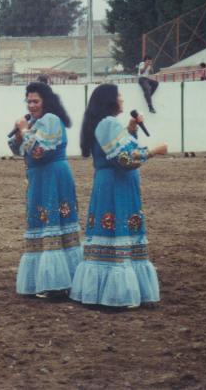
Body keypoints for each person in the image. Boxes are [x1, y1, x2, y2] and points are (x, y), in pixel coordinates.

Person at [70, 84, 167, 308]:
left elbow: (117, 148)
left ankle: (110, 289)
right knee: (117, 229)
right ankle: (117, 293)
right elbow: (124, 159)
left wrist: (131, 129)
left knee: (113, 231)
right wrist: (153, 151)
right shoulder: (108, 124)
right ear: (110, 101)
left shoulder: (106, 124)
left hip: (112, 182)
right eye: (120, 96)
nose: (123, 100)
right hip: (116, 184)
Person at [8, 82, 81, 298]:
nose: (31, 105)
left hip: (53, 177)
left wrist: (24, 130)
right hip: (38, 178)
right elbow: (16, 148)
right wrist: (21, 133)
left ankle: (57, 284)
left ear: (45, 102)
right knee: (40, 222)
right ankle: (47, 280)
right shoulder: (35, 123)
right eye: (28, 101)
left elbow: (40, 151)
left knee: (53, 223)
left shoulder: (50, 120)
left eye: (35, 101)